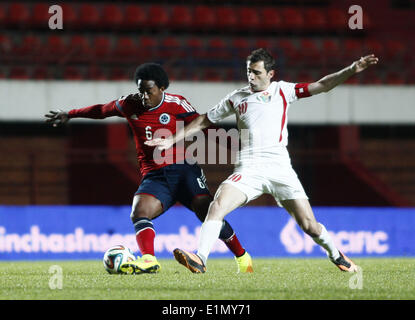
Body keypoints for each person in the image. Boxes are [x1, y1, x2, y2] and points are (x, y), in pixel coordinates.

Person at [145, 49, 379, 273]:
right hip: (249, 168)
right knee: (217, 206)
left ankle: (336, 255)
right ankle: (200, 259)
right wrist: (171, 140)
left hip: (280, 169)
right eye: (249, 71)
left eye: (256, 72)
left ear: (270, 74)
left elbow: (322, 85)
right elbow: (203, 121)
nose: (251, 76)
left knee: (309, 226)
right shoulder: (236, 97)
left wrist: (352, 69)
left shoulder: (283, 91)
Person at [45, 62, 253, 274]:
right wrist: (70, 114)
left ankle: (243, 258)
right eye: (140, 91)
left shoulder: (177, 104)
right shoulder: (129, 104)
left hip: (184, 170)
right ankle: (148, 260)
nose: (144, 96)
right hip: (155, 175)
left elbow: (205, 127)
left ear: (162, 88)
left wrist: (238, 146)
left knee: (207, 213)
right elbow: (101, 110)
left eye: (149, 91)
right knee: (139, 211)